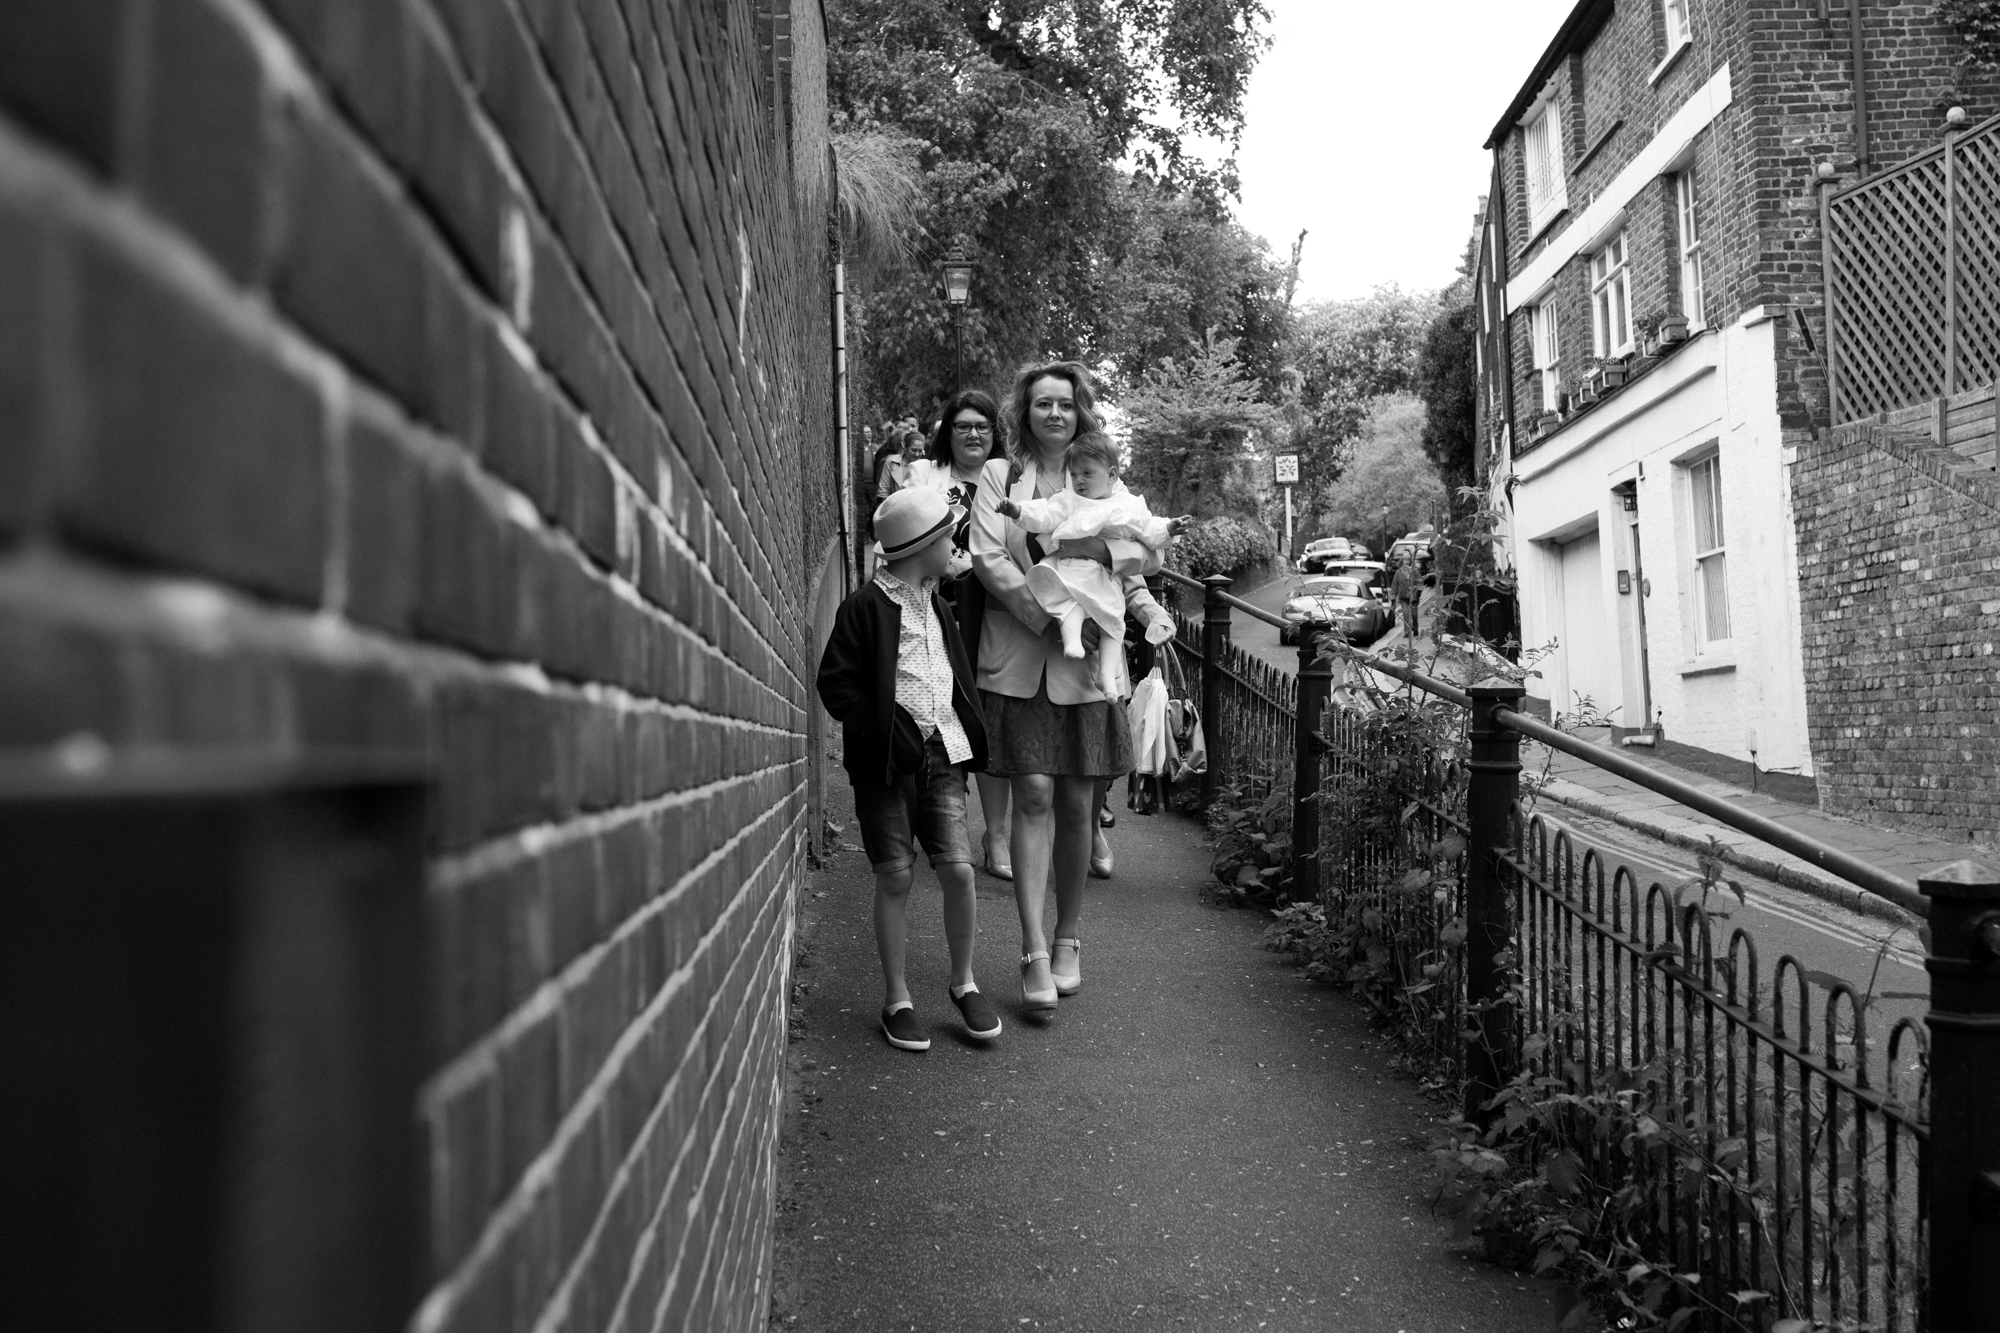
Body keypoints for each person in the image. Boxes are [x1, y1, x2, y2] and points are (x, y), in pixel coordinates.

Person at [969, 361, 1169, 1015]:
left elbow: (1145, 549)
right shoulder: (1001, 477)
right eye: (1042, 403)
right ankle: (1030, 948)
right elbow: (987, 556)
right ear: (1024, 413)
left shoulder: (1103, 477)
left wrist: (1119, 566)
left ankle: (1068, 937)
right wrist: (1042, 614)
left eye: (1065, 403)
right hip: (1024, 655)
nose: (1054, 413)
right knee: (1031, 793)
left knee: (1080, 807)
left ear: (1080, 411)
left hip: (1087, 668)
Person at [816, 488, 1002, 1051]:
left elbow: (954, 673)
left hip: (942, 755)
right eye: (949, 537)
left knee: (959, 869)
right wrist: (880, 726)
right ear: (923, 546)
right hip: (885, 764)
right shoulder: (864, 607)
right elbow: (835, 682)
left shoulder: (938, 603)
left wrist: (968, 728)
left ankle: (963, 983)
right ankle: (897, 997)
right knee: (895, 874)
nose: (955, 545)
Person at [902, 389, 1016, 880]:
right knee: (928, 713)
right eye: (962, 425)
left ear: (996, 434)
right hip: (937, 608)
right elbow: (903, 526)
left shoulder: (1011, 480)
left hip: (997, 612)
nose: (973, 434)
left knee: (988, 715)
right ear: (947, 432)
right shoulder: (927, 475)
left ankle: (995, 834)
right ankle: (921, 822)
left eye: (982, 426)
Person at [994, 431, 1184, 697]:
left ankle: (1106, 673)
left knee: (1113, 621)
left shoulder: (1125, 502)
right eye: (1074, 475)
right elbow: (1045, 513)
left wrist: (1170, 529)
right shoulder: (1069, 498)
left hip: (1105, 579)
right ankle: (1072, 640)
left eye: (1086, 474)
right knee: (1067, 599)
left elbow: (1149, 533)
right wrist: (1019, 511)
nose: (1079, 481)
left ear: (1112, 475)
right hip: (1070, 571)